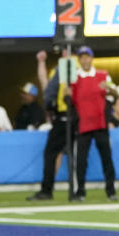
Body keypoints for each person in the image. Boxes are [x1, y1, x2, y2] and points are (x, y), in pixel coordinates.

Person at [27, 50, 77, 201]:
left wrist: (50, 105)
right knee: (72, 154)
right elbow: (45, 84)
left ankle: (48, 190)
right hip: (68, 117)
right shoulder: (68, 68)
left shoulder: (67, 68)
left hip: (65, 116)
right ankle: (76, 190)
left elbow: (47, 89)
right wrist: (41, 62)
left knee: (52, 153)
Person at [70, 47, 118, 202]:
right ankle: (81, 191)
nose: (85, 60)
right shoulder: (75, 77)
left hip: (100, 123)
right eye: (82, 57)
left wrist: (109, 89)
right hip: (83, 124)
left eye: (87, 57)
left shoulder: (103, 75)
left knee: (107, 158)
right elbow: (69, 99)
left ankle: (111, 190)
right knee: (81, 160)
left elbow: (115, 92)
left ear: (92, 58)